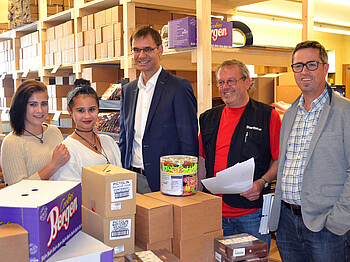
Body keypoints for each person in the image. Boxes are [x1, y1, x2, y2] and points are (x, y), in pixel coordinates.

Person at [269, 40, 350, 261]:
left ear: (325, 67)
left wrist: (338, 220)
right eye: (298, 66)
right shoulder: (291, 113)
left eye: (312, 64)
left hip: (327, 227)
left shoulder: (345, 112)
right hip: (287, 223)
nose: (304, 71)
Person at [198, 59, 282, 250]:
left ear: (247, 82)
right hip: (214, 213)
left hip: (251, 213)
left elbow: (279, 160)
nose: (225, 87)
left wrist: (262, 182)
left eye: (231, 81)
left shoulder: (267, 115)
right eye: (221, 82)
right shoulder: (208, 118)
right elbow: (202, 159)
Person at [119, 25, 198, 193]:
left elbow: (188, 139)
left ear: (160, 50)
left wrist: (187, 183)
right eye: (136, 50)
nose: (141, 55)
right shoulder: (128, 90)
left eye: (148, 49)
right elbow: (124, 137)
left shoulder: (178, 87)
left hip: (166, 180)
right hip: (131, 178)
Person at [1, 80, 70, 185]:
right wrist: (54, 165)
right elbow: (17, 189)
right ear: (21, 106)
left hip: (61, 199)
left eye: (44, 104)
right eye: (33, 104)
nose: (40, 110)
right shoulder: (12, 143)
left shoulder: (54, 132)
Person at [52, 79, 122, 181]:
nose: (87, 116)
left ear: (98, 108)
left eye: (92, 109)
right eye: (80, 110)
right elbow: (71, 191)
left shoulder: (109, 141)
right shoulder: (67, 149)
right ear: (70, 111)